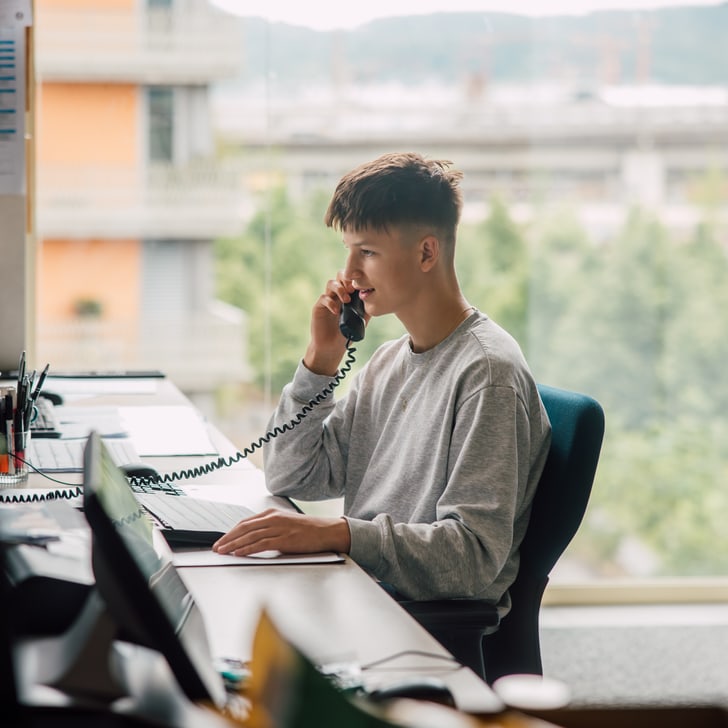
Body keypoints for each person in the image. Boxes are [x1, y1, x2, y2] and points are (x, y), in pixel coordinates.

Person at [213, 152, 551, 611]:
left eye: (367, 252)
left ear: (427, 251)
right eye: (348, 251)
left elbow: (472, 556)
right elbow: (291, 474)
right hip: (361, 594)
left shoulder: (488, 374)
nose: (348, 274)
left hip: (417, 623)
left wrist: (339, 533)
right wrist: (320, 363)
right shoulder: (388, 363)